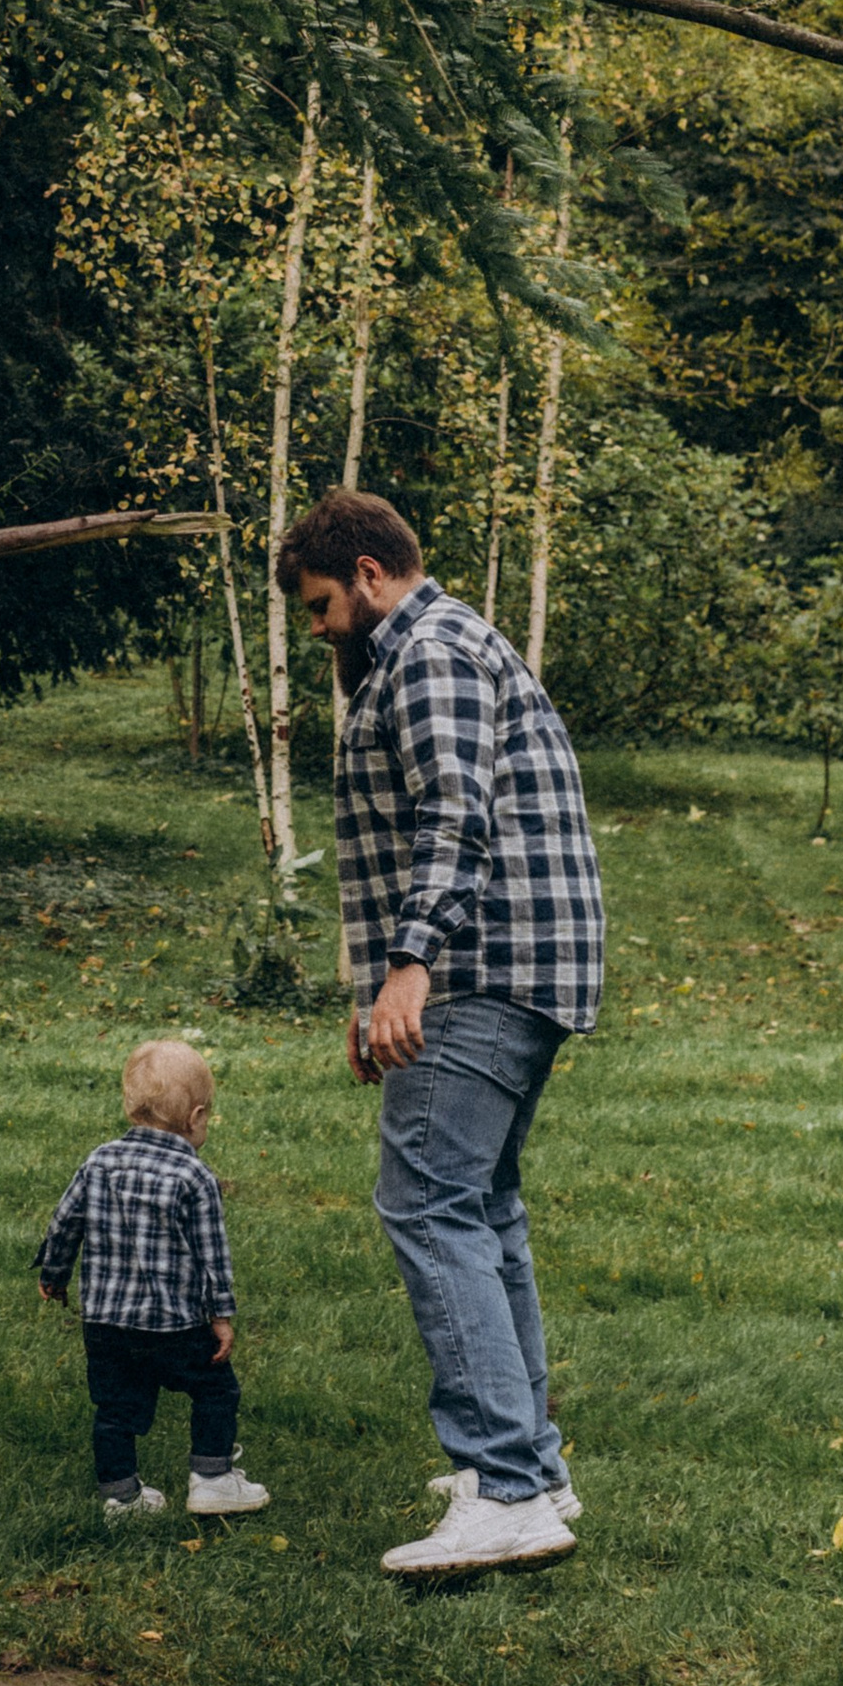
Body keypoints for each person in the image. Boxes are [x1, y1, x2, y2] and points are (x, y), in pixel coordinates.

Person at [277, 486, 604, 1578]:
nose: (317, 627)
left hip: (476, 967)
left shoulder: (428, 654)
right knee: (482, 1205)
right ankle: (532, 1466)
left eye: (321, 603)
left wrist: (408, 967)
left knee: (426, 1201)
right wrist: (371, 990)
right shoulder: (436, 647)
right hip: (497, 966)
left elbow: (450, 813)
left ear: (370, 572)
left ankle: (506, 1486)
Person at [37, 1037, 272, 1521]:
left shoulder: (98, 1162)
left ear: (130, 1105)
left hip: (107, 1326)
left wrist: (55, 1274)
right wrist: (221, 1316)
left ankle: (120, 1498)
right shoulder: (193, 1175)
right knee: (214, 1390)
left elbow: (65, 1222)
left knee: (115, 1409)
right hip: (176, 1326)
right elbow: (213, 1255)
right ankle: (212, 1480)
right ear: (197, 1116)